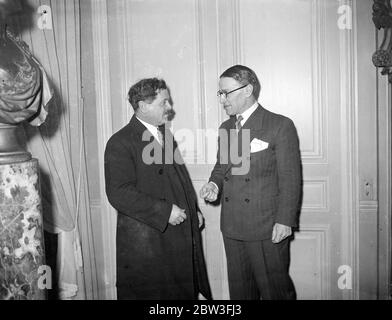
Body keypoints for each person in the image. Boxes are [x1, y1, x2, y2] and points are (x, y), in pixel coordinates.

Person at [200, 65, 301, 300]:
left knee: (275, 293)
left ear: (248, 90)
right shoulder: (226, 128)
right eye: (220, 94)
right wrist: (214, 185)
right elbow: (221, 167)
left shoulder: (279, 125)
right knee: (241, 295)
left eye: (226, 92)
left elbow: (290, 179)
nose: (222, 99)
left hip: (266, 228)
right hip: (233, 226)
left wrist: (284, 221)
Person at [104, 78, 212, 300]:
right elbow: (118, 193)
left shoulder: (165, 135)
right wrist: (164, 212)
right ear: (143, 106)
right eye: (164, 103)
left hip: (176, 234)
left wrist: (194, 210)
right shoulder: (120, 142)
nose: (170, 108)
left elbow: (180, 178)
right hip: (147, 241)